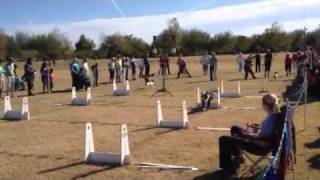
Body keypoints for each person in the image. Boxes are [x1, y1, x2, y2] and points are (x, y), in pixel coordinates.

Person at [219, 94, 281, 175]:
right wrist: (254, 127)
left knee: (223, 139)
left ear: (265, 105)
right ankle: (238, 158)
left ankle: (228, 167)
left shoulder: (271, 119)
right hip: (261, 142)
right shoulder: (273, 116)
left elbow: (260, 135)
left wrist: (248, 134)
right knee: (234, 128)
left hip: (258, 146)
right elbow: (264, 131)